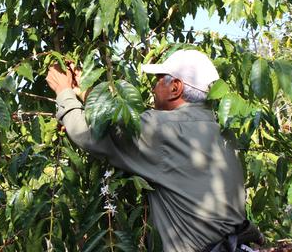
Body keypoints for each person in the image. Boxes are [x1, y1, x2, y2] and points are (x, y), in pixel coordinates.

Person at [46, 49, 251, 251]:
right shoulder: (222, 131)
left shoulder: (162, 130)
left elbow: (88, 134)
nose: (153, 88)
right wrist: (87, 89)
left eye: (159, 80)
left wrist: (63, 91)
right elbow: (118, 123)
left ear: (176, 88)